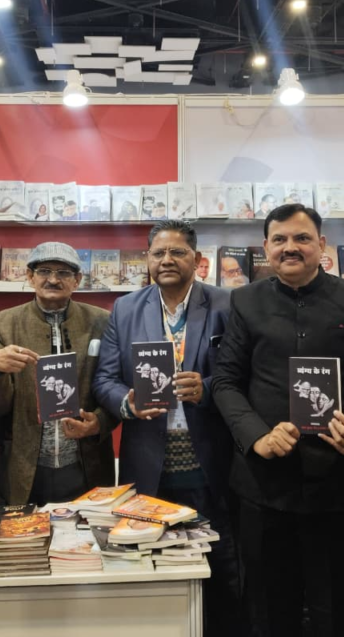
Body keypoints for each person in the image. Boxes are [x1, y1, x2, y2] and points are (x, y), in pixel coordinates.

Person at [211, 204, 344, 637]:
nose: (290, 247)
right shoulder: (245, 301)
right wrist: (256, 436)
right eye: (280, 239)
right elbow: (225, 381)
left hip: (335, 486)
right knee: (269, 611)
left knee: (333, 608)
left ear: (322, 245)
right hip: (263, 485)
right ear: (266, 248)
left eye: (302, 238)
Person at [92, 219, 238, 636]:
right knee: (151, 575)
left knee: (222, 573)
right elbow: (104, 379)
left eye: (177, 252)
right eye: (159, 253)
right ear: (148, 259)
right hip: (149, 467)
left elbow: (244, 373)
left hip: (211, 466)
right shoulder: (125, 308)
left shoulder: (227, 304)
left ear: (197, 258)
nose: (167, 260)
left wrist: (207, 387)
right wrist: (127, 402)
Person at [0, 242, 115, 505]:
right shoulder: (2, 324)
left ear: (77, 280)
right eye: (44, 271)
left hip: (87, 463)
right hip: (25, 466)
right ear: (30, 277)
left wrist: (99, 421)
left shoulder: (102, 321)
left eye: (63, 273)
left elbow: (114, 382)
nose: (53, 280)